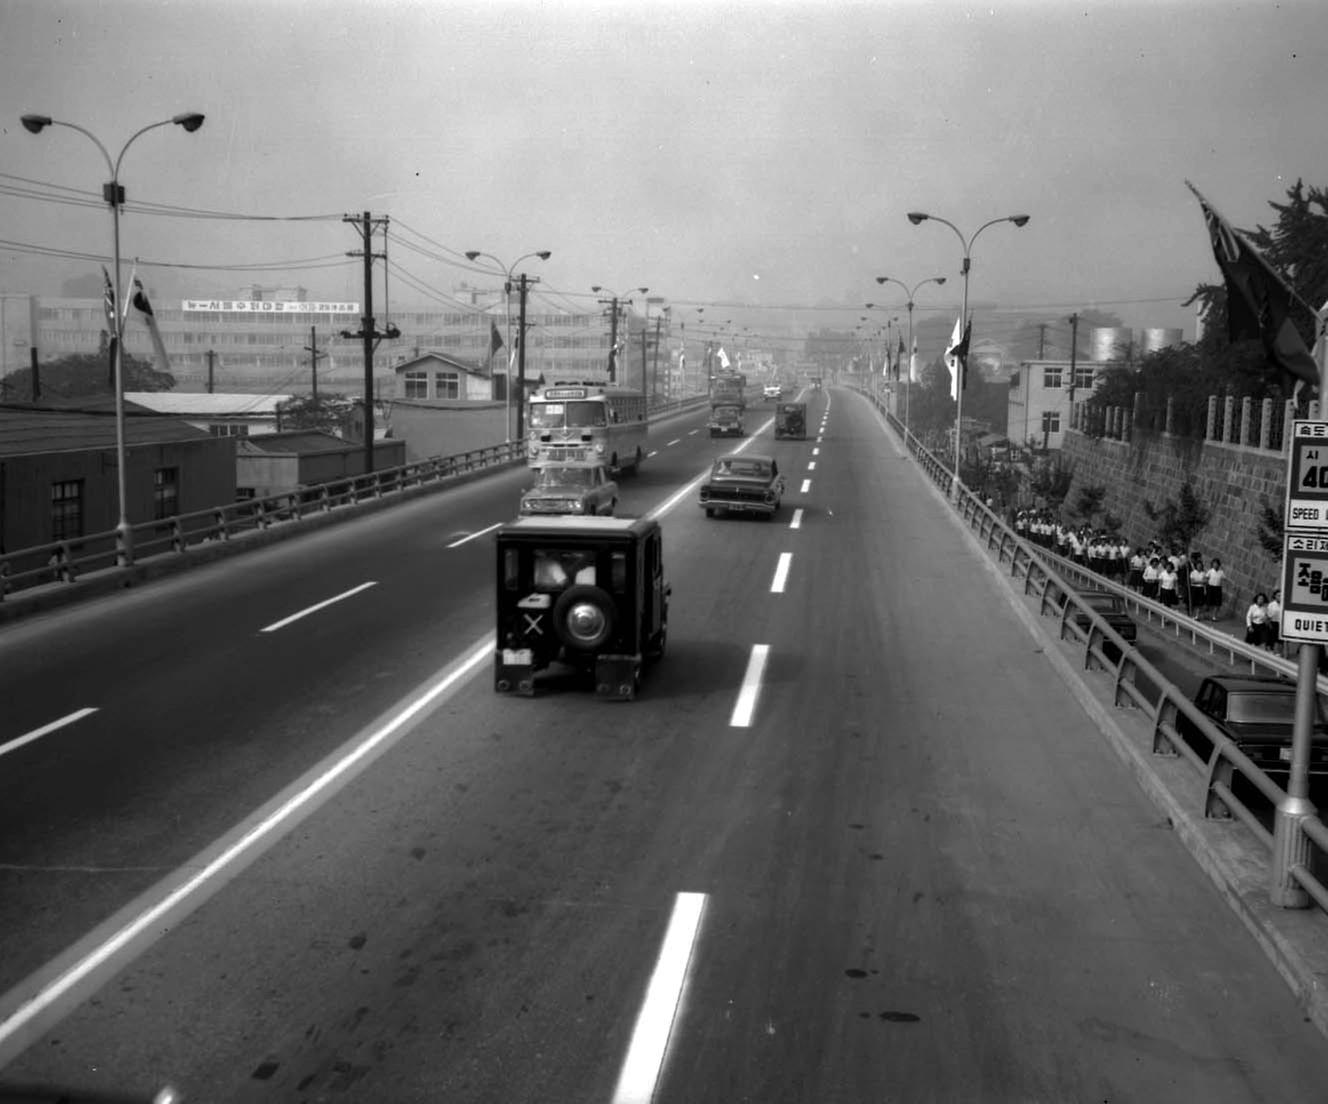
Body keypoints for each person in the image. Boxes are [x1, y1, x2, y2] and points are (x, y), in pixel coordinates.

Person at [1265, 589, 1282, 653]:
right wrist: (1269, 625)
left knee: (1279, 639)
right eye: (1278, 595)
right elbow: (1268, 616)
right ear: (1275, 596)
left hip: (1280, 623)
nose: (1280, 597)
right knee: (1271, 638)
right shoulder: (1271, 605)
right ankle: (1270, 650)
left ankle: (1279, 652)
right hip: (1273, 623)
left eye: (1281, 595)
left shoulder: (1283, 604)